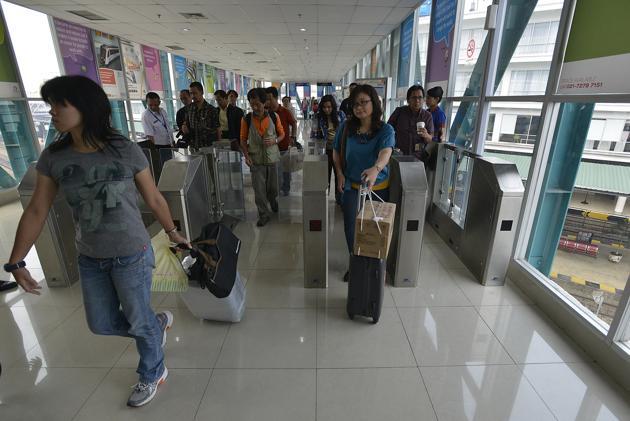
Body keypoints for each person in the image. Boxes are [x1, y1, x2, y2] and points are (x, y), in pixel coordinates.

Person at [6, 75, 189, 407]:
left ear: (85, 107)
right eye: (50, 105)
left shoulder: (124, 149)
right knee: (101, 323)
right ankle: (156, 323)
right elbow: (36, 210)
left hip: (132, 253)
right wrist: (16, 261)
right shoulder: (54, 157)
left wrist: (174, 232)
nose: (53, 113)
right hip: (90, 256)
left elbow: (155, 199)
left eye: (59, 104)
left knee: (136, 317)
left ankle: (153, 371)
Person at [333, 84, 394, 282]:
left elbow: (386, 152)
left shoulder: (385, 129)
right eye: (355, 104)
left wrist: (376, 169)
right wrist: (340, 174)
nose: (359, 107)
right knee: (351, 229)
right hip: (352, 187)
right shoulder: (346, 127)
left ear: (374, 103)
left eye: (364, 102)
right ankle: (356, 264)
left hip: (377, 190)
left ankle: (375, 266)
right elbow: (336, 151)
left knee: (373, 229)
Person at [240, 88, 285, 227]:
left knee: (275, 187)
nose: (255, 107)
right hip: (256, 161)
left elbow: (282, 134)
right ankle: (263, 214)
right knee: (259, 191)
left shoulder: (274, 117)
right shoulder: (246, 119)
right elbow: (242, 139)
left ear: (264, 103)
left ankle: (273, 200)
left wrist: (275, 141)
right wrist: (246, 156)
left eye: (257, 104)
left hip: (273, 159)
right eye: (252, 104)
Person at [313, 94, 345, 204]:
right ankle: (324, 198)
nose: (327, 109)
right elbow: (314, 134)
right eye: (324, 107)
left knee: (339, 174)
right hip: (325, 150)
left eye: (329, 107)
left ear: (333, 107)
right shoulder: (318, 117)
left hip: (339, 150)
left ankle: (340, 198)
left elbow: (346, 132)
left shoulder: (340, 115)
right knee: (324, 176)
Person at [387, 85, 434, 160]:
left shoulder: (427, 116)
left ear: (423, 100)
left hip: (418, 157)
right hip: (398, 155)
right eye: (414, 97)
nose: (417, 100)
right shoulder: (399, 112)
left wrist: (426, 135)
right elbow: (388, 130)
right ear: (408, 100)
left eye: (420, 97)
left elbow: (430, 139)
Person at [266, 87, 297, 196]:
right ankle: (275, 189)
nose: (268, 102)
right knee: (273, 170)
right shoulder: (265, 112)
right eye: (266, 99)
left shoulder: (284, 111)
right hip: (270, 147)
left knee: (285, 170)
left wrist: (293, 137)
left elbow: (293, 123)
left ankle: (286, 189)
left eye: (270, 99)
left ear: (276, 98)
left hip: (283, 146)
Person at [182, 81, 219, 150]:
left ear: (202, 92)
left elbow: (217, 129)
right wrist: (184, 126)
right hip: (193, 146)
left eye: (195, 93)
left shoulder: (212, 110)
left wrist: (218, 147)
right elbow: (186, 122)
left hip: (208, 146)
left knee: (209, 161)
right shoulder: (189, 108)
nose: (193, 96)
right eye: (191, 93)